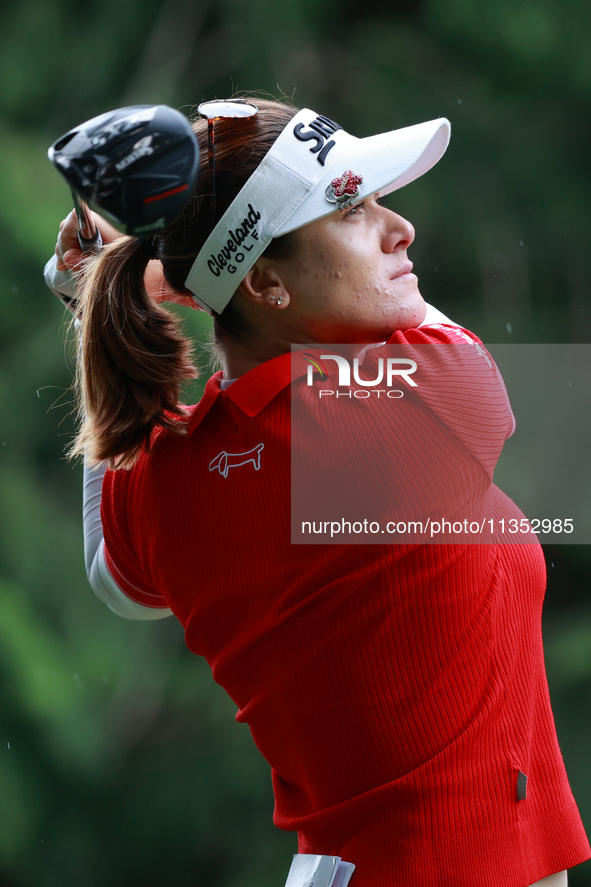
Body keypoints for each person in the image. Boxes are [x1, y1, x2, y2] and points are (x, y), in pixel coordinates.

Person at [45, 97, 590, 887]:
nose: (398, 229)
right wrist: (165, 274)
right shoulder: (406, 415)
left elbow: (115, 576)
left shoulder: (172, 469)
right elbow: (457, 356)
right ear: (266, 280)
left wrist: (105, 288)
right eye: (350, 207)